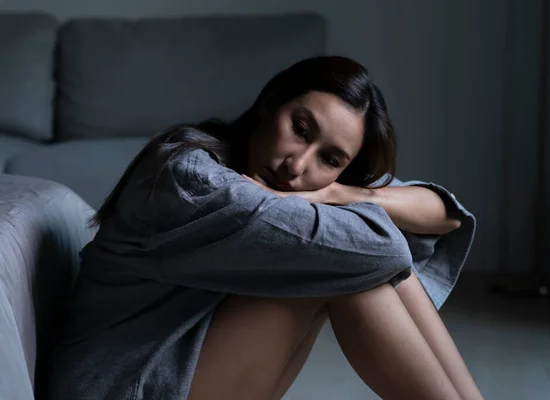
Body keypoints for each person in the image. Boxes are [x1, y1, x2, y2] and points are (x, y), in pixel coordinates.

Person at [49, 56, 482, 400]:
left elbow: (445, 213)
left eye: (329, 159)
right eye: (299, 128)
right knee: (352, 268)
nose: (297, 165)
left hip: (172, 374)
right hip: (122, 387)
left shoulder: (317, 188)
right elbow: (385, 251)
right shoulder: (190, 176)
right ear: (271, 102)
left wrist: (350, 195)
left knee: (349, 254)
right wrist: (332, 197)